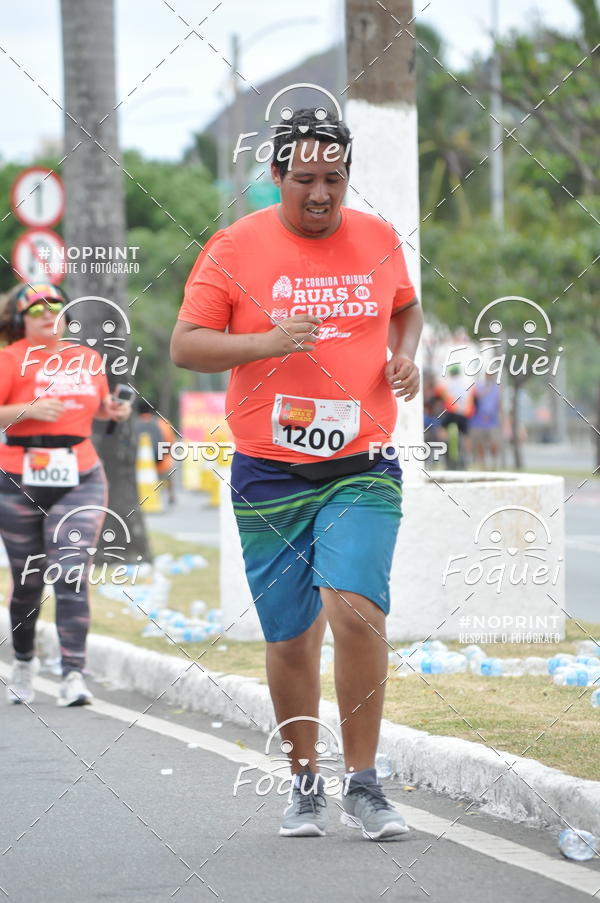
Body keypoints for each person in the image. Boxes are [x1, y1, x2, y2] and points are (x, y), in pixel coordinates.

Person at [171, 109, 423, 841]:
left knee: (356, 608)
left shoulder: (376, 240)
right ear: (275, 173)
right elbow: (187, 345)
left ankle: (367, 784)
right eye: (305, 179)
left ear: (349, 177)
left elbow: (405, 310)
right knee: (289, 636)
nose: (320, 194)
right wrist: (268, 341)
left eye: (334, 180)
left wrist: (404, 357)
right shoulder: (234, 247)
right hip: (269, 474)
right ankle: (305, 778)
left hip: (363, 464)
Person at [0, 282, 131, 706]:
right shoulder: (9, 359)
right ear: (20, 318)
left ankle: (73, 674)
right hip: (19, 476)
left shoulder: (88, 359)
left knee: (71, 572)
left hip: (80, 474)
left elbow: (98, 407)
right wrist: (28, 410)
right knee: (28, 580)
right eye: (33, 306)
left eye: (54, 304)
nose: (45, 311)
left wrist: (113, 410)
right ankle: (23, 662)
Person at [135, 398, 177, 505]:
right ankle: (171, 495)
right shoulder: (163, 423)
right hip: (161, 465)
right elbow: (170, 444)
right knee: (169, 466)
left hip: (138, 467)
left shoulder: (132, 424)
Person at [471, 372, 502, 469]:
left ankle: (494, 464)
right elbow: (474, 401)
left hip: (492, 422)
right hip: (479, 421)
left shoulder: (496, 389)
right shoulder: (479, 387)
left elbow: (498, 404)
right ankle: (482, 465)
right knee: (480, 445)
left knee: (494, 443)